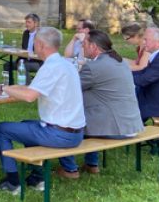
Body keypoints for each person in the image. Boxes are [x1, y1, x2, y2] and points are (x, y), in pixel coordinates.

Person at [0, 27, 85, 194]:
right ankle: (36, 177)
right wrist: (11, 88)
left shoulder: (50, 67)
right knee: (27, 124)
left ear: (40, 45)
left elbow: (29, 96)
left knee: (1, 129)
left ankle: (13, 182)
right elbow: (32, 88)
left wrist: (3, 88)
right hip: (76, 134)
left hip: (59, 135)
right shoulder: (67, 64)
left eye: (35, 44)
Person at [58, 30, 143, 177]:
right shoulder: (120, 61)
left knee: (62, 124)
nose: (82, 48)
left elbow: (70, 90)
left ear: (93, 46)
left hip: (116, 127)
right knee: (91, 114)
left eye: (84, 44)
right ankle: (92, 164)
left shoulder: (93, 67)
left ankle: (70, 169)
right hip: (131, 123)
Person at [6, 13, 43, 81]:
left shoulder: (42, 34)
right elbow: (24, 49)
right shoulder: (26, 33)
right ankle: (10, 86)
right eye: (26, 22)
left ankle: (28, 87)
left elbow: (43, 52)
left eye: (29, 22)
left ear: (36, 23)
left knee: (23, 66)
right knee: (7, 65)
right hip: (24, 60)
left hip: (37, 62)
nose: (26, 24)